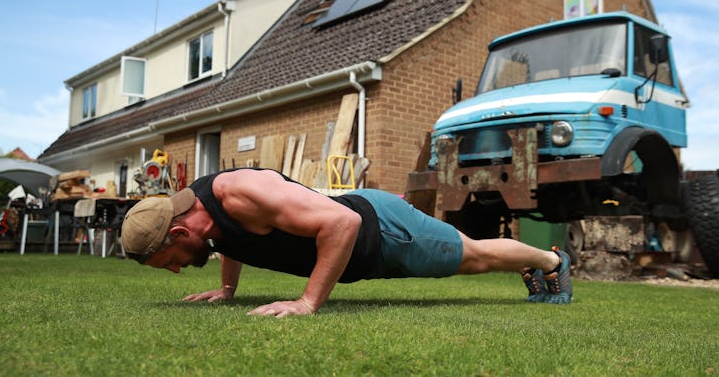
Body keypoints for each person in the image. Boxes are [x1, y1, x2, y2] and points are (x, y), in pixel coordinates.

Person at [121, 168, 572, 317]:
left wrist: (308, 302)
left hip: (383, 229)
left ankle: (550, 263)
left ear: (179, 233)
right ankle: (534, 264)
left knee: (474, 256)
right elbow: (230, 239)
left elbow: (342, 223)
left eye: (171, 261)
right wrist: (228, 290)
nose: (178, 269)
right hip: (364, 251)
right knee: (473, 256)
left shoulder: (239, 192)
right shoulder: (198, 212)